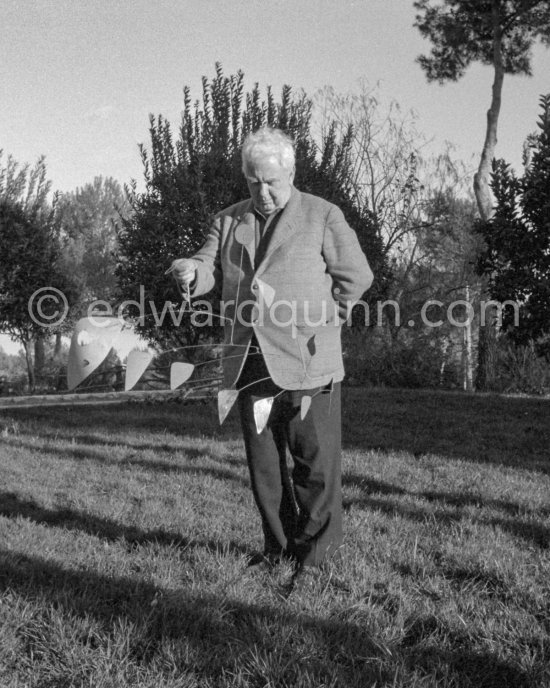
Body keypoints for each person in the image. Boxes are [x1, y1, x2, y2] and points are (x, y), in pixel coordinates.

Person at [170, 127, 373, 578]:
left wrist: (324, 323)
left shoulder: (323, 216)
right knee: (265, 467)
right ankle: (278, 549)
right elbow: (206, 268)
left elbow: (356, 277)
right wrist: (190, 270)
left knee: (315, 466)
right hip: (248, 363)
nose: (262, 191)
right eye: (253, 181)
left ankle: (317, 557)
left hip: (309, 364)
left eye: (272, 181)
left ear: (291, 172)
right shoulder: (228, 221)